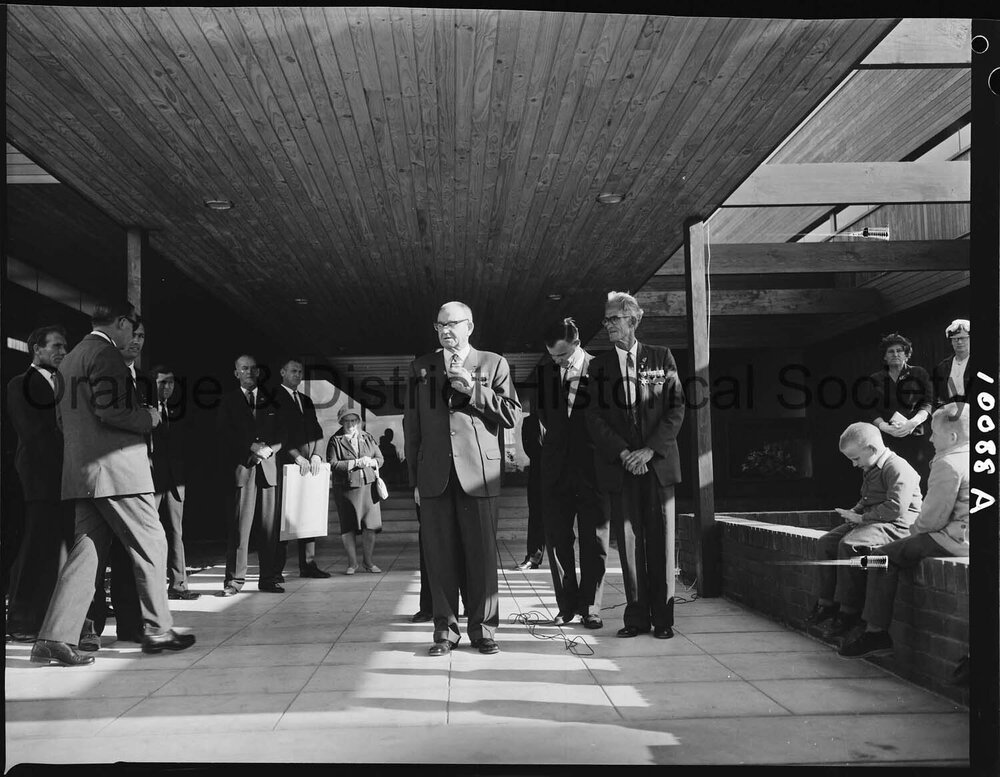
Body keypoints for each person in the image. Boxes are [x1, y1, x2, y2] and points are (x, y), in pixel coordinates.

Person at [31, 302, 194, 666]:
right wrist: (149, 417)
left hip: (82, 475)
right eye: (131, 329)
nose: (133, 338)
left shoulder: (70, 358)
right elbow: (112, 411)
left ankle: (53, 638)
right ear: (121, 323)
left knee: (85, 557)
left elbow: (62, 421)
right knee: (153, 542)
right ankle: (158, 630)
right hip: (119, 474)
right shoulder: (106, 356)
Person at [404, 301, 521, 656]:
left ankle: (483, 629)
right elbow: (412, 427)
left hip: (479, 474)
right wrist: (414, 482)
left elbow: (511, 414)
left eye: (452, 323)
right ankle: (445, 631)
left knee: (482, 555)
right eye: (440, 325)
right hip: (434, 475)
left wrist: (474, 389)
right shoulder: (421, 367)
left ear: (470, 326)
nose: (446, 330)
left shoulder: (493, 362)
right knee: (439, 557)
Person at [587, 292, 685, 640]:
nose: (608, 325)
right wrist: (626, 453)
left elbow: (675, 411)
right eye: (606, 320)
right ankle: (636, 617)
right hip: (621, 467)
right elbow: (594, 418)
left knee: (660, 542)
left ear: (634, 320)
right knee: (628, 545)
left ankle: (663, 619)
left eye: (614, 319)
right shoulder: (597, 367)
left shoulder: (662, 358)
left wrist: (648, 451)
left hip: (657, 467)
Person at [838, 403, 970, 657]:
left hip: (953, 538)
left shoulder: (949, 464)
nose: (929, 438)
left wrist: (911, 535)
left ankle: (875, 633)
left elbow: (932, 518)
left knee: (880, 558)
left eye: (934, 433)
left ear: (952, 437)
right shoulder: (974, 457)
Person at [804, 421, 922, 643]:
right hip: (872, 521)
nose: (853, 465)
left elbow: (896, 507)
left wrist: (862, 518)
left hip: (895, 526)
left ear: (872, 449)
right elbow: (867, 498)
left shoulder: (897, 467)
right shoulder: (871, 467)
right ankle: (826, 603)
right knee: (826, 543)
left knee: (850, 546)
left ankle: (848, 612)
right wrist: (855, 511)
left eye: (856, 458)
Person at [535, 317, 609, 629]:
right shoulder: (545, 373)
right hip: (556, 472)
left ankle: (590, 606)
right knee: (557, 540)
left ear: (577, 345)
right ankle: (566, 606)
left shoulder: (603, 370)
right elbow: (543, 418)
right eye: (552, 357)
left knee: (595, 541)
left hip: (593, 472)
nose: (557, 362)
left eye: (562, 356)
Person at [5, 325, 72, 642]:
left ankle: (48, 617)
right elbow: (33, 435)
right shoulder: (20, 385)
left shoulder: (65, 384)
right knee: (34, 549)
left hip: (65, 480)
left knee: (54, 550)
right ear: (36, 349)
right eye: (56, 346)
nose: (62, 351)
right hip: (39, 480)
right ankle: (20, 620)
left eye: (64, 347)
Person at [86, 321, 147, 648]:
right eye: (130, 336)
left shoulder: (143, 381)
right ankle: (90, 628)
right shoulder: (100, 372)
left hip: (135, 476)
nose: (134, 342)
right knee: (94, 554)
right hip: (104, 475)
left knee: (128, 554)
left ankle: (131, 625)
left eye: (140, 337)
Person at [217, 354, 285, 596]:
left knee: (269, 528)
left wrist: (268, 450)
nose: (249, 372)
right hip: (242, 469)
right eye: (244, 368)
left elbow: (283, 433)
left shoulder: (272, 399)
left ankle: (268, 578)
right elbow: (224, 434)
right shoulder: (227, 401)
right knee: (240, 528)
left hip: (268, 470)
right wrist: (251, 447)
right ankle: (234, 582)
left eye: (253, 368)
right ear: (236, 373)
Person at [273, 358, 330, 579]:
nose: (297, 375)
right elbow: (277, 433)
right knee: (284, 518)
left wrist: (316, 454)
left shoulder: (305, 400)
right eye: (293, 371)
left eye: (300, 372)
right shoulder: (274, 398)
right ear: (282, 372)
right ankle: (277, 569)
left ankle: (308, 565)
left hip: (310, 467)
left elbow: (316, 430)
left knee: (309, 515)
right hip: (287, 465)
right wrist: (296, 456)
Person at [150, 364, 199, 599]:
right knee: (150, 534)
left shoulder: (179, 411)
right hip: (151, 481)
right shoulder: (145, 411)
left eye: (170, 382)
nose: (167, 387)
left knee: (175, 533)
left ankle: (179, 585)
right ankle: (153, 588)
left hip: (175, 481)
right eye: (162, 382)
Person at [861, 332, 934, 490]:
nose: (895, 354)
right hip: (888, 438)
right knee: (891, 478)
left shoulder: (919, 373)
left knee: (919, 477)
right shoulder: (875, 379)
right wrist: (884, 426)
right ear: (885, 357)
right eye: (891, 351)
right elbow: (869, 408)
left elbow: (928, 402)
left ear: (907, 354)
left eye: (899, 351)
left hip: (916, 435)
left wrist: (913, 422)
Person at [327, 404, 384, 574]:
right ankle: (352, 564)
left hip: (368, 487)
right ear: (341, 422)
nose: (351, 424)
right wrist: (355, 463)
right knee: (348, 526)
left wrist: (372, 462)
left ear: (359, 422)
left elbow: (380, 458)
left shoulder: (367, 437)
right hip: (346, 489)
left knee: (370, 526)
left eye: (354, 420)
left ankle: (368, 562)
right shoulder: (335, 440)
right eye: (347, 421)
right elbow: (332, 463)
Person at [512, 412, 545, 571]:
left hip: (563, 472)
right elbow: (529, 450)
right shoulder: (529, 422)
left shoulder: (565, 418)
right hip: (538, 474)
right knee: (536, 516)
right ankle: (533, 556)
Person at [931, 319, 971, 407]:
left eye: (963, 338)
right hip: (950, 413)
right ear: (951, 342)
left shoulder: (982, 364)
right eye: (955, 339)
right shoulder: (942, 367)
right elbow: (936, 396)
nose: (959, 342)